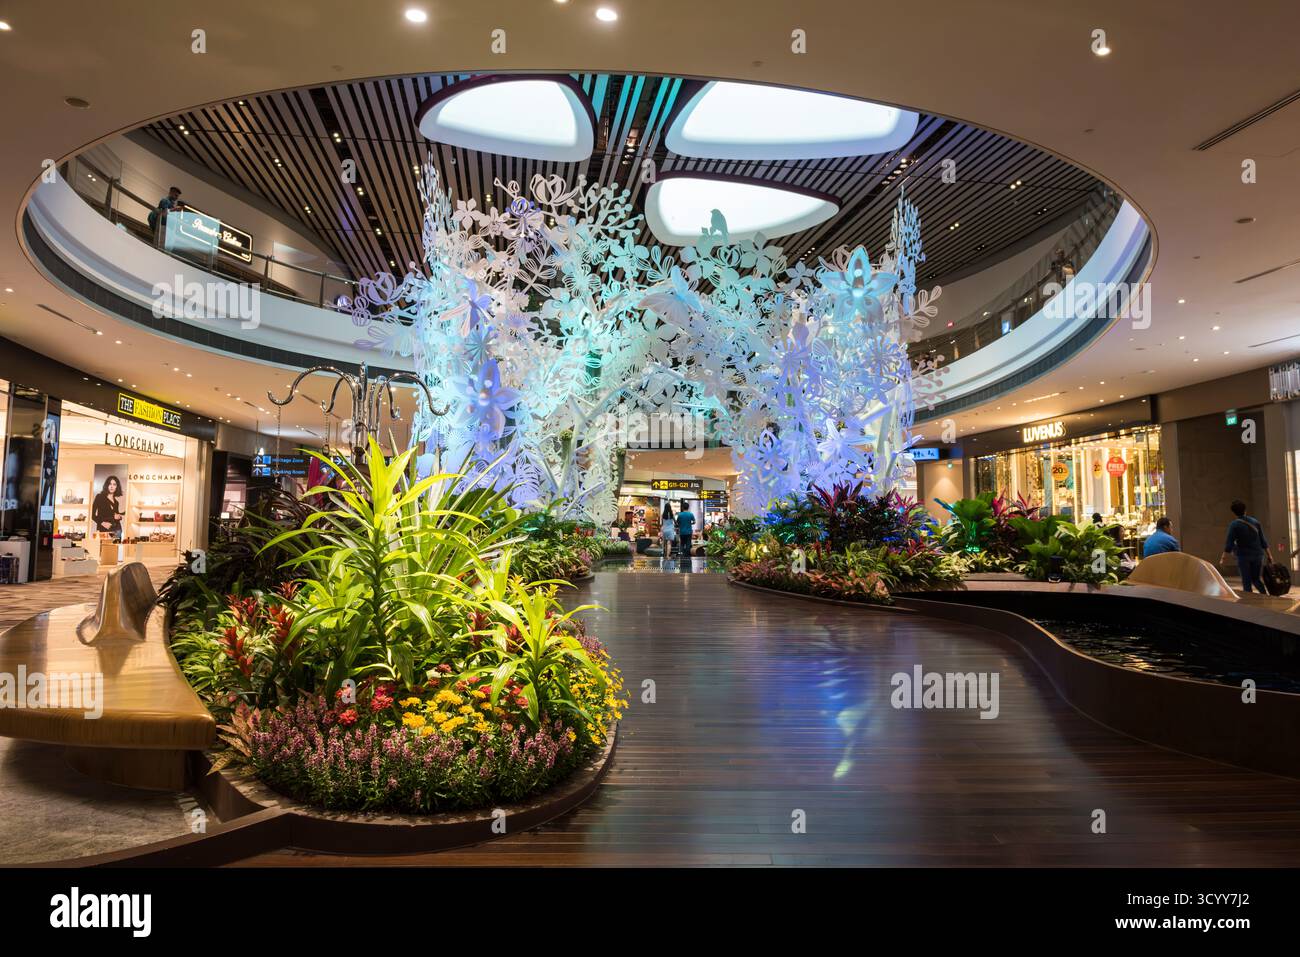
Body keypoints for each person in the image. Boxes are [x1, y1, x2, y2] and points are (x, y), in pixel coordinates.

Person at [1221, 499, 1269, 593]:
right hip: (1258, 555)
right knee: (1256, 579)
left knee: (1246, 581)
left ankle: (1249, 604)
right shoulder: (1255, 522)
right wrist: (1270, 555)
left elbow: (1229, 543)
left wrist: (1223, 558)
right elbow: (1263, 540)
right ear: (1245, 509)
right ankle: (1265, 597)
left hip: (1243, 556)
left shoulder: (1234, 525)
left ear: (1233, 512)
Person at [92, 475, 125, 541]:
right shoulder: (99, 497)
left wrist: (119, 516)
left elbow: (113, 516)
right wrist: (102, 523)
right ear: (106, 485)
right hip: (103, 529)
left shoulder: (116, 502)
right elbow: (92, 515)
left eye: (114, 484)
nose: (112, 486)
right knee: (102, 549)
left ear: (117, 487)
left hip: (116, 530)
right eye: (110, 484)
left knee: (114, 549)